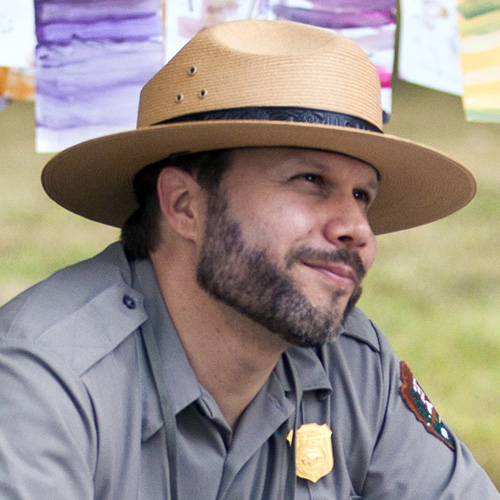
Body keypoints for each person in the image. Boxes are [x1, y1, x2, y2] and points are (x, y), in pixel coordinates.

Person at [0, 19, 498, 500]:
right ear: (184, 205)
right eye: (309, 180)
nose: (357, 227)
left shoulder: (354, 364)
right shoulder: (47, 378)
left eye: (363, 195)